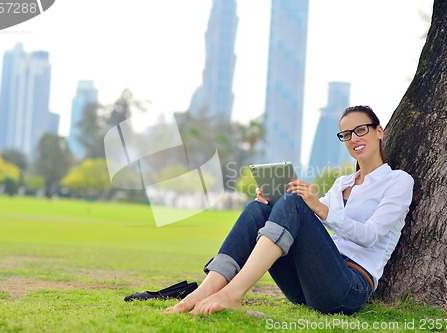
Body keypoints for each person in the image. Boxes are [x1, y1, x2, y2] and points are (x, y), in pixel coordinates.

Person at [165, 105, 414, 315]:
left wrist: (314, 204)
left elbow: (369, 236)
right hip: (306, 286)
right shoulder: (342, 184)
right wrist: (274, 201)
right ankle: (208, 288)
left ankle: (232, 293)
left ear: (379, 131)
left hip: (348, 288)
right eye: (346, 134)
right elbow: (305, 215)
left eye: (361, 130)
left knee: (293, 202)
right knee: (258, 208)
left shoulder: (398, 181)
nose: (354, 139)